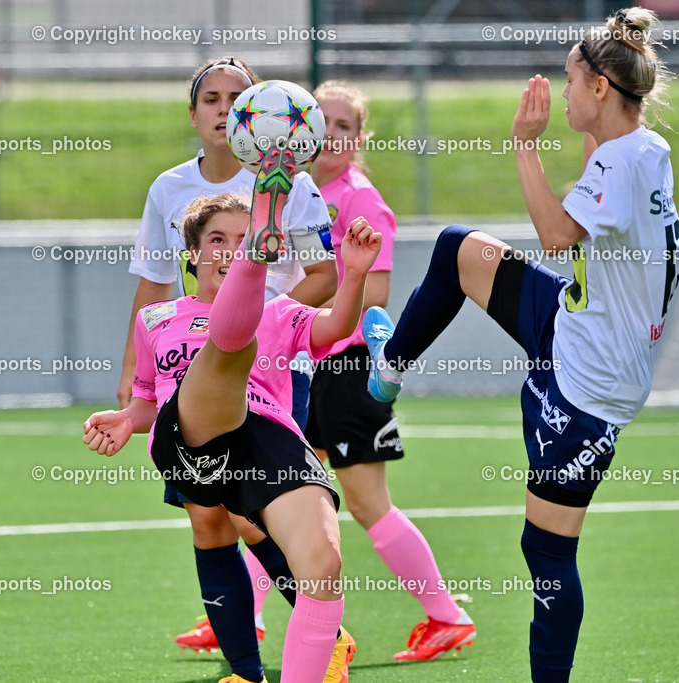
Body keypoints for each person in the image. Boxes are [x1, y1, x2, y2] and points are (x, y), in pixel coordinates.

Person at [361, 8, 679, 681]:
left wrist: (525, 144)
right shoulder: (645, 148)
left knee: (546, 550)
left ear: (599, 86)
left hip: (585, 380)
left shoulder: (624, 161)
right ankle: (388, 371)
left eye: (570, 80)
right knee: (460, 250)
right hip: (576, 320)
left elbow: (558, 236)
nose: (561, 93)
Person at [84, 154, 382, 682]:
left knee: (322, 565)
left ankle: (310, 662)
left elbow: (335, 326)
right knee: (226, 347)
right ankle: (247, 670)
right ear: (193, 253)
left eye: (243, 239)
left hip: (263, 440)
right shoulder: (157, 319)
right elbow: (150, 398)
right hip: (190, 440)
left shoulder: (279, 312)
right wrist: (129, 418)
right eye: (219, 239)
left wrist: (353, 274)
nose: (227, 249)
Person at [115, 55, 338, 662]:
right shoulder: (169, 189)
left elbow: (325, 275)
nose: (224, 109)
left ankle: (323, 629)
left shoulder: (291, 179)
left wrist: (257, 326)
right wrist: (133, 375)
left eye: (236, 98)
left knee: (251, 518)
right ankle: (246, 663)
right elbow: (154, 284)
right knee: (208, 523)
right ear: (193, 115)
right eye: (210, 99)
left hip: (267, 370)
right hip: (181, 375)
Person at [299, 80, 475, 662]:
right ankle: (238, 619)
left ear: (359, 137)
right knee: (282, 491)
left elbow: (373, 295)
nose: (330, 133)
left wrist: (299, 317)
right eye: (320, 121)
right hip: (306, 366)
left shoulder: (361, 200)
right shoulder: (294, 193)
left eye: (344, 125)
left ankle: (446, 616)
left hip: (347, 367)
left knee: (366, 502)